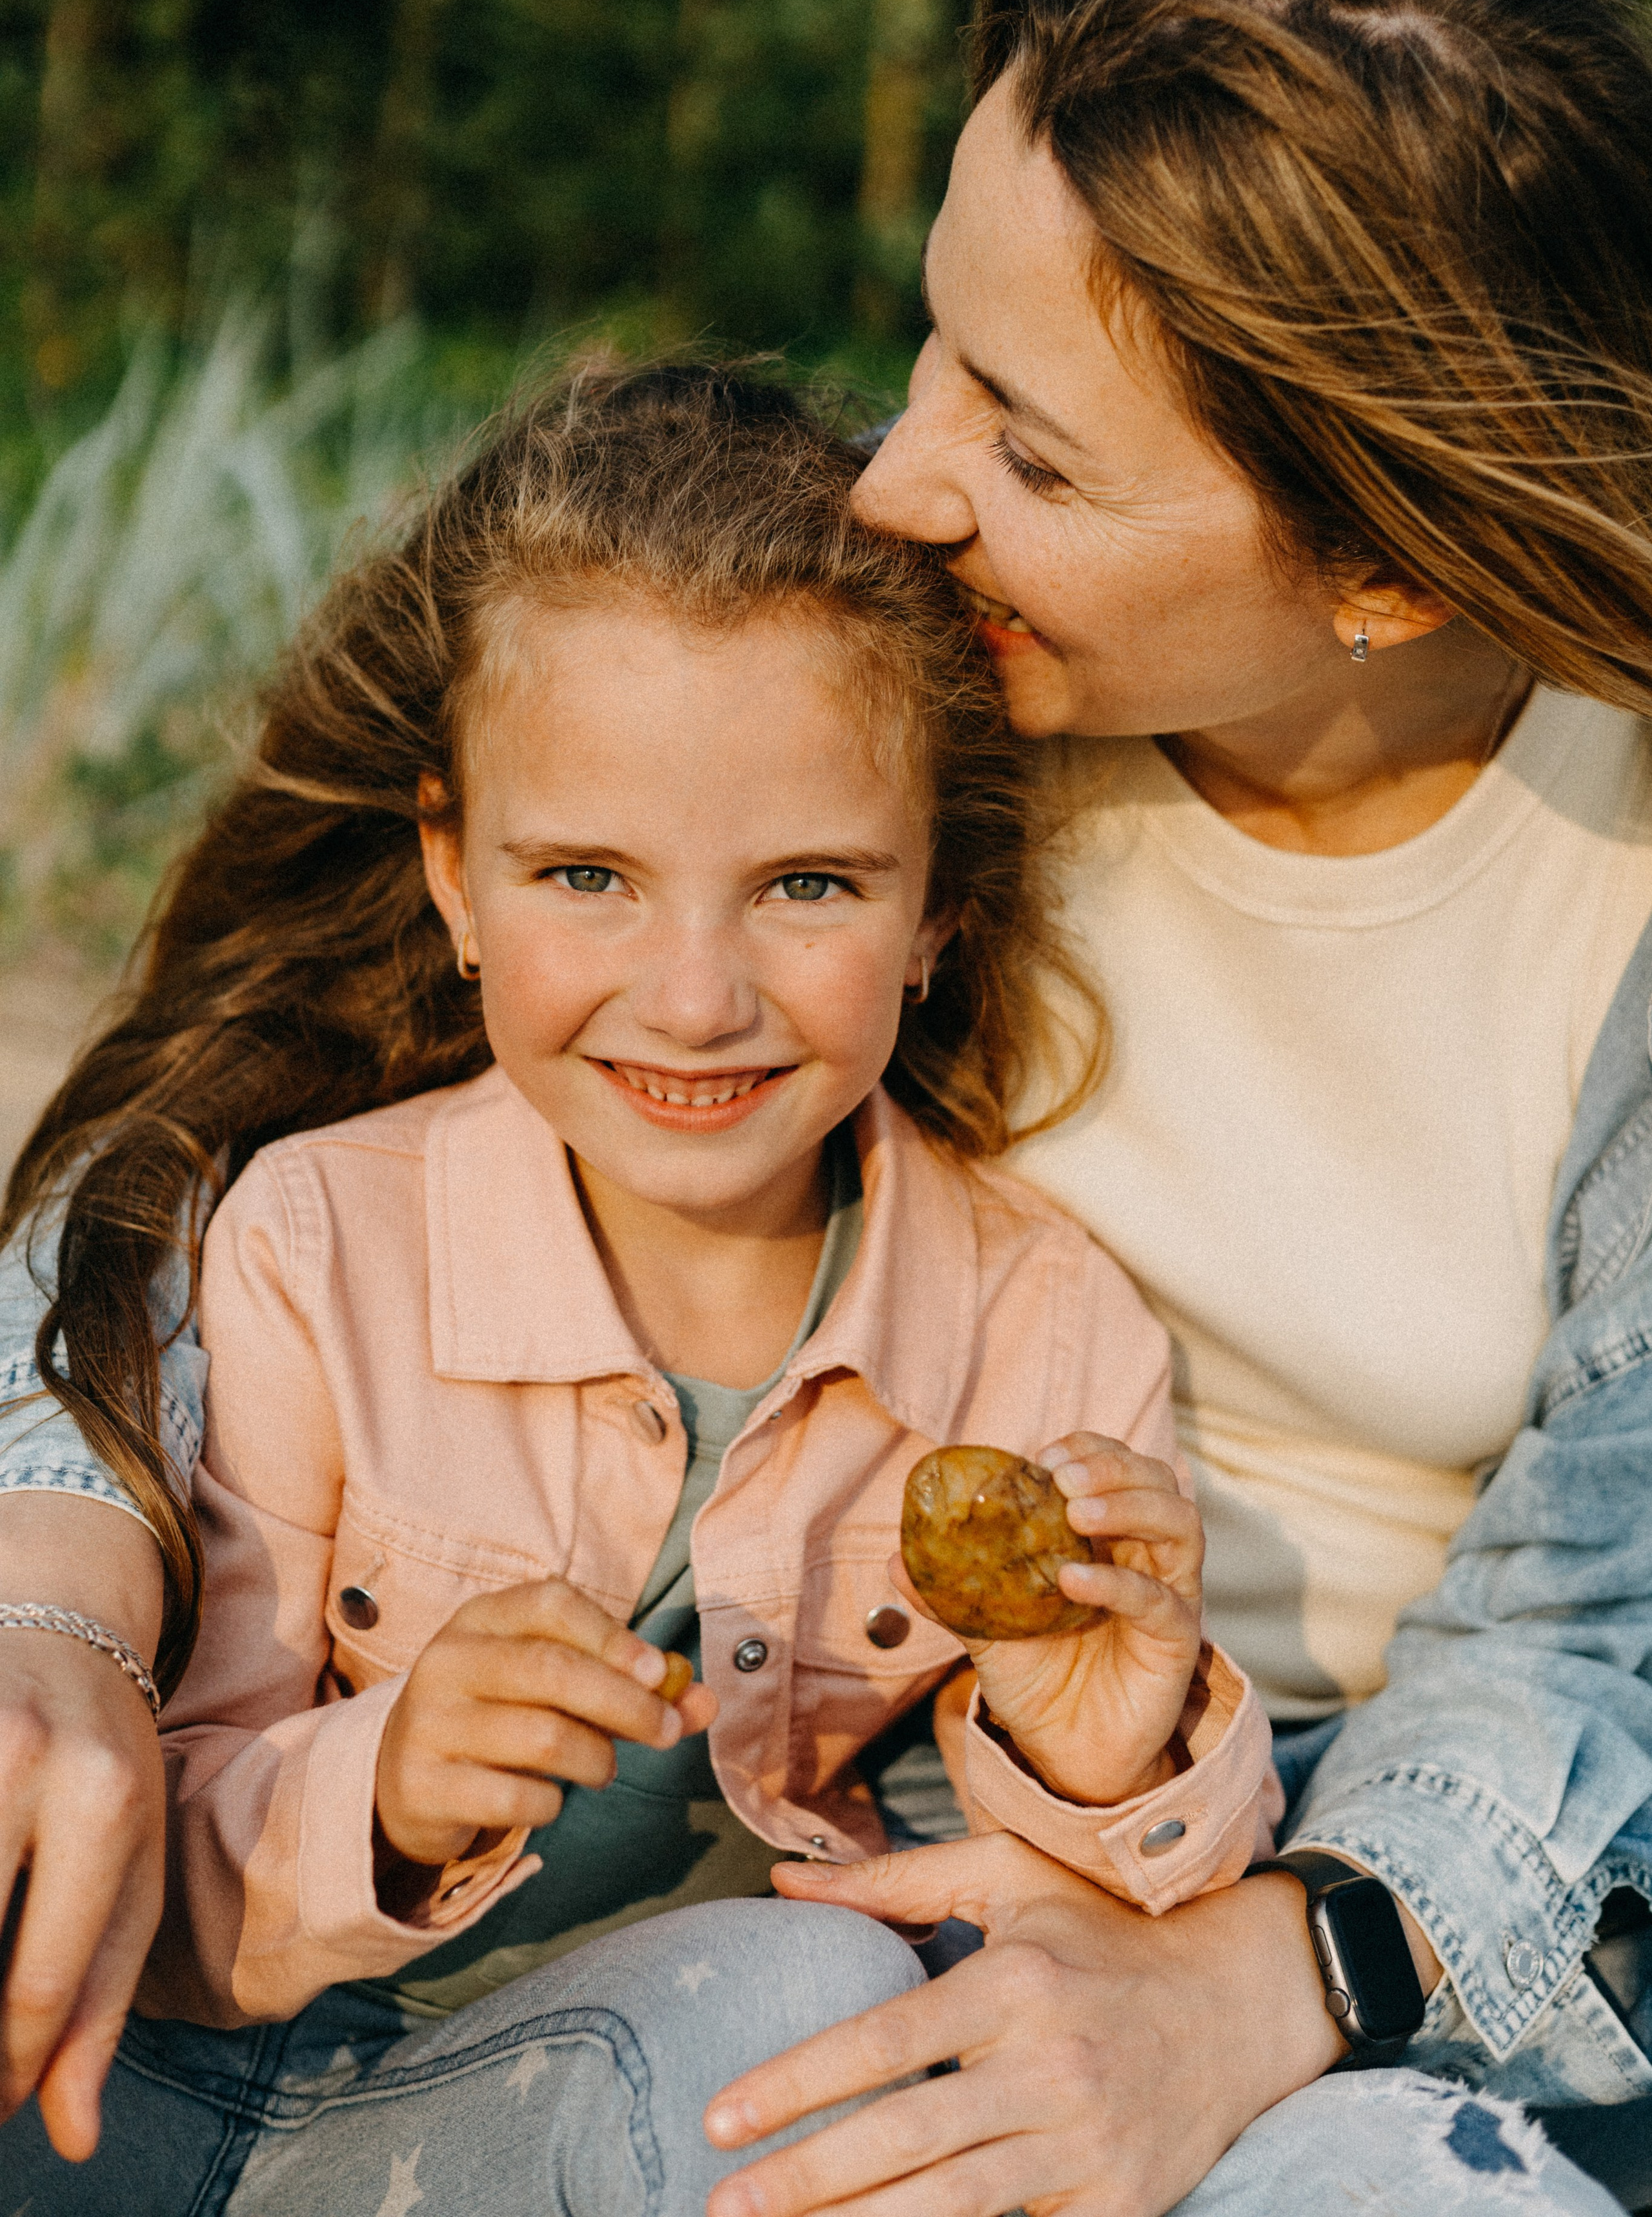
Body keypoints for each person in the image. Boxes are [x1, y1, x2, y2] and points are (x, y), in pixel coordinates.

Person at [6, 0, 1652, 2217]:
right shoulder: (858, 678)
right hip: (863, 1824)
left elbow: (1618, 1630)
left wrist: (1282, 1965)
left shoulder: (1611, 897)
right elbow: (221, 1113)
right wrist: (51, 1590)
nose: (897, 476)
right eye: (932, 344)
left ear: (1385, 563)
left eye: (1035, 448)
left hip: (1405, 1851)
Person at [0, 361, 1268, 2211]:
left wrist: (1105, 1750)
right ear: (450, 874)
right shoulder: (311, 1244)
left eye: (809, 888)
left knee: (816, 1996)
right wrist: (389, 1782)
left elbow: (1091, 1960)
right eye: (586, 872)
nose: (692, 996)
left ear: (939, 916)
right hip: (196, 2101)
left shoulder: (1047, 1331)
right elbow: (141, 1868)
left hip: (623, 2094)